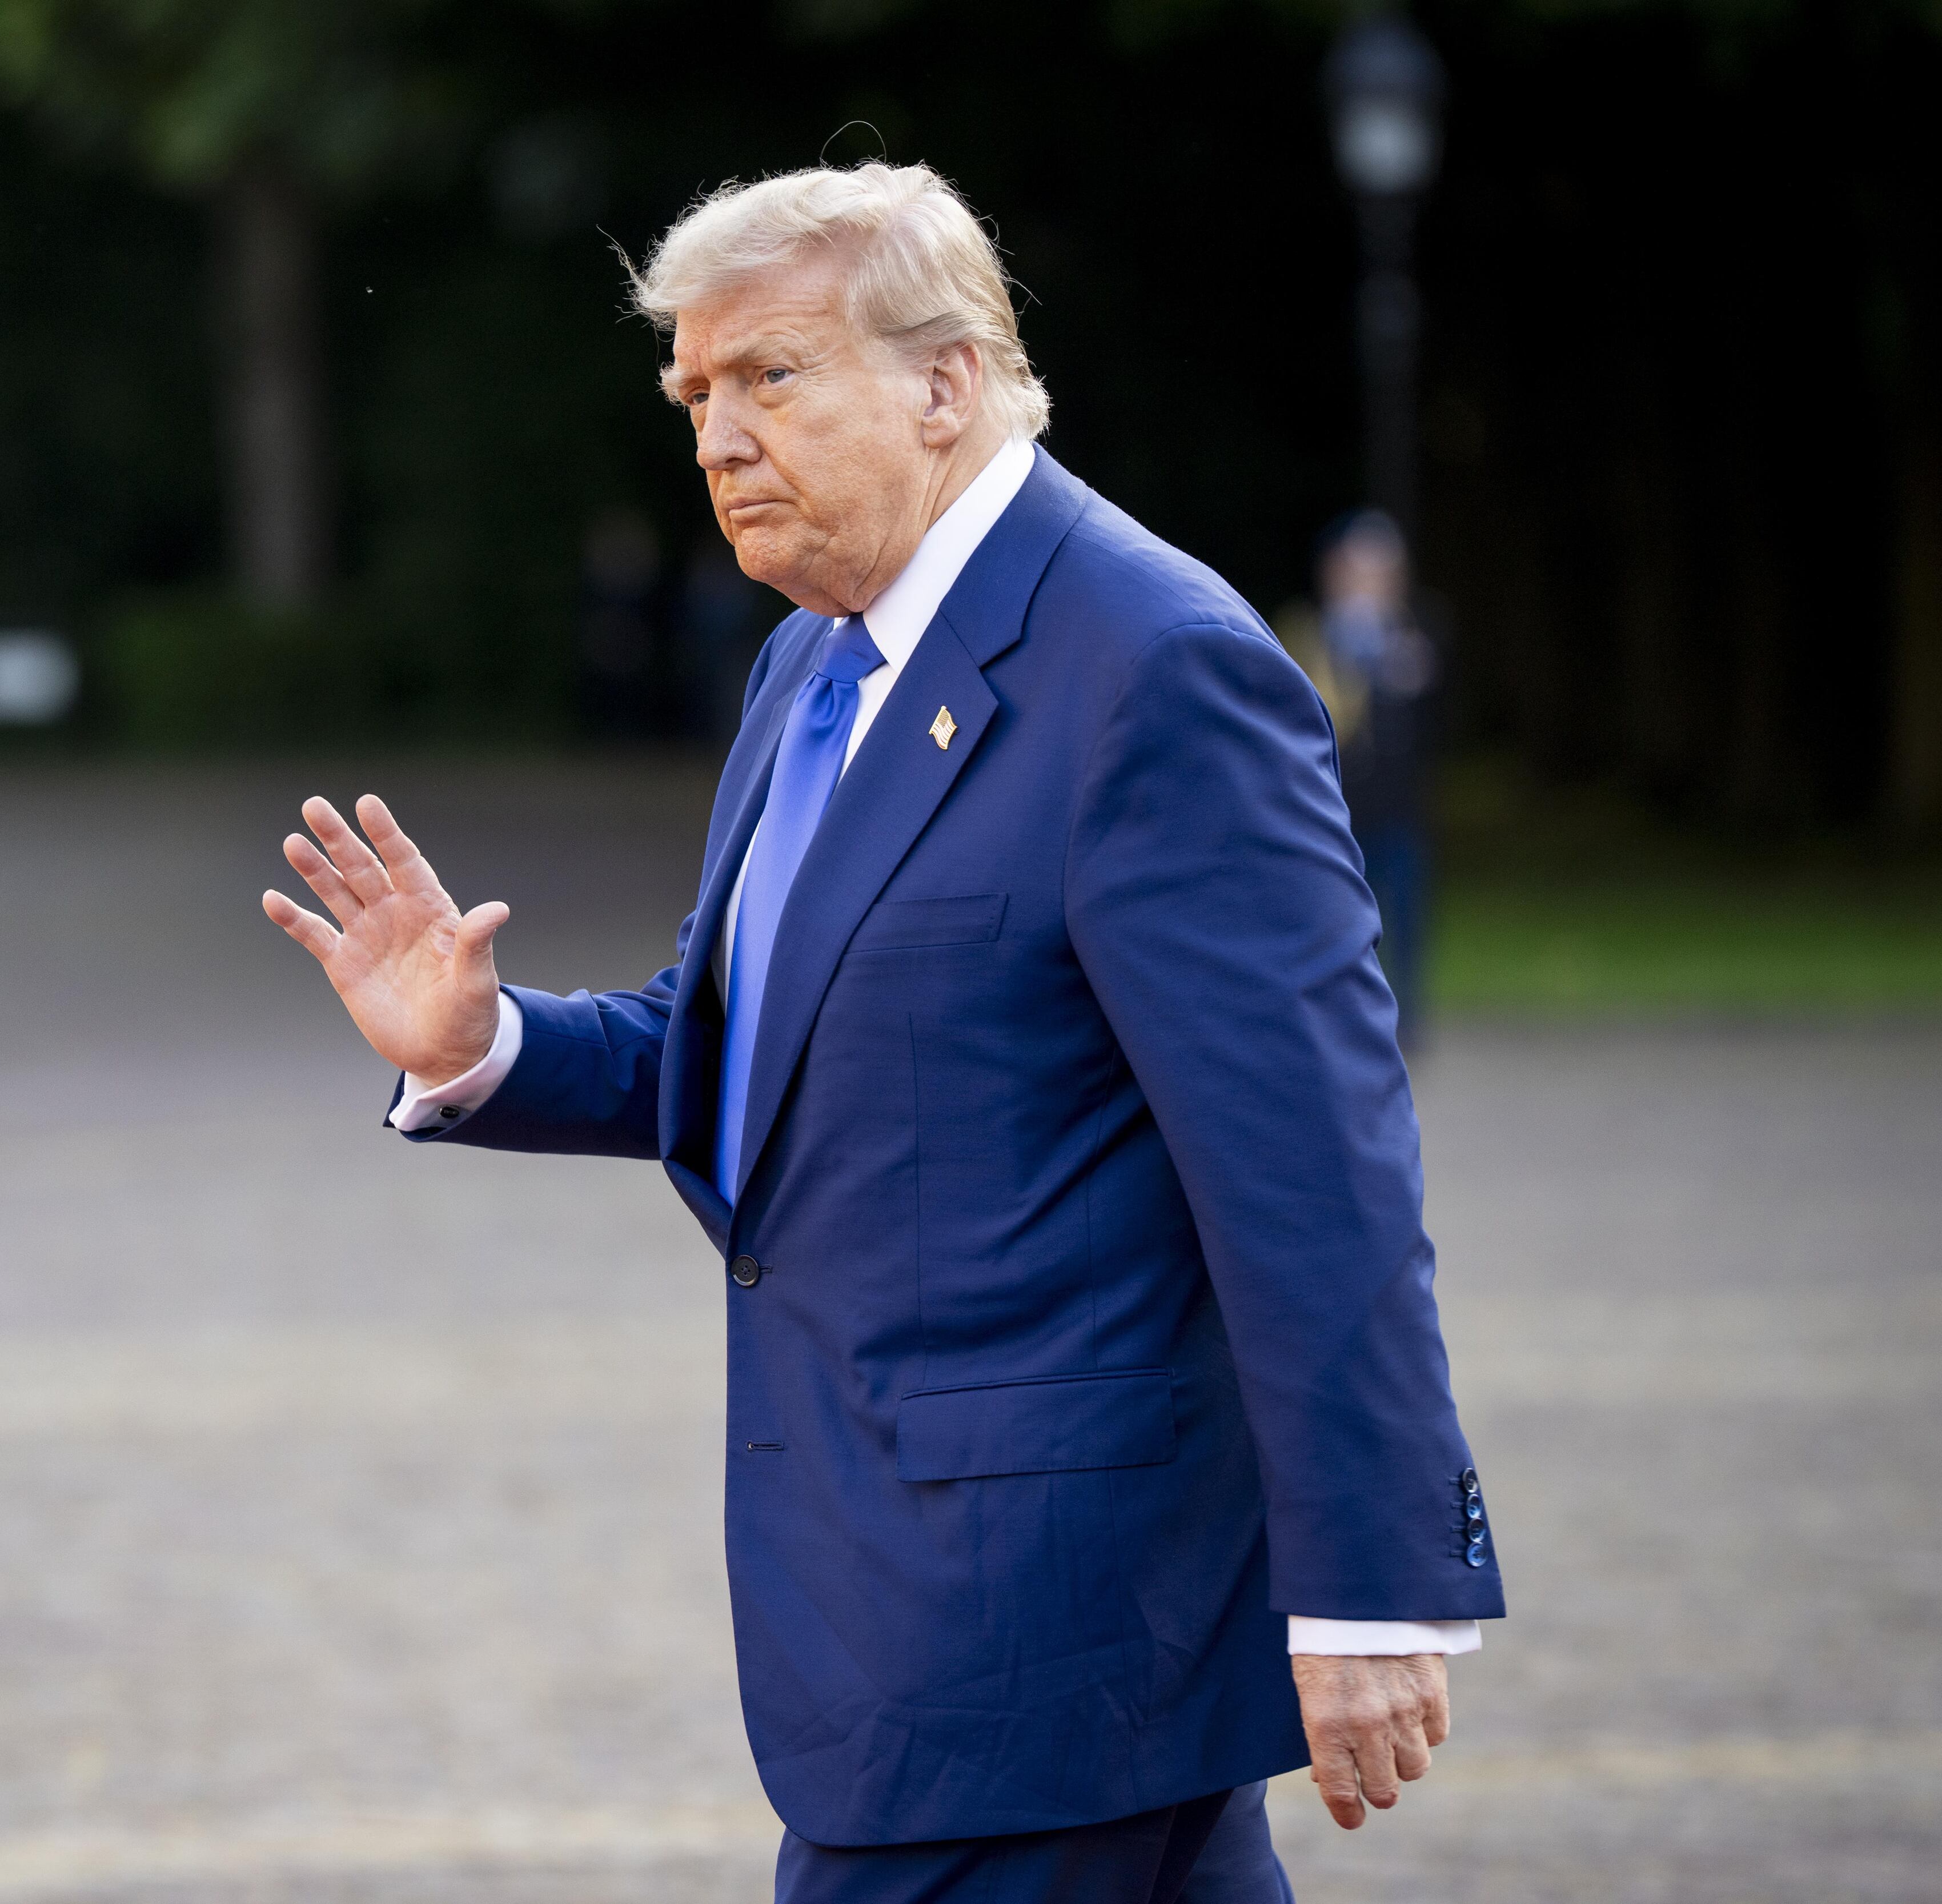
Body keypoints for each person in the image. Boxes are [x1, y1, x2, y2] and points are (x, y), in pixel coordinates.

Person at [260, 163, 1500, 1904]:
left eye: (769, 377)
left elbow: (1316, 1162)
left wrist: (1369, 1584)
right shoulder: (805, 668)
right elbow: (760, 1049)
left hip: (1024, 1635)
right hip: (940, 1623)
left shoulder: (1150, 667)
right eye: (694, 393)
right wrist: (484, 1048)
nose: (715, 436)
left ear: (945, 381)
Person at [1311, 511, 1438, 1047]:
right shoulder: (1316, 638)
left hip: (1402, 810)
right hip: (1341, 811)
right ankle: (1354, 1019)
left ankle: (1408, 1019)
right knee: (1343, 920)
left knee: (1406, 916)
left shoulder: (1416, 637)